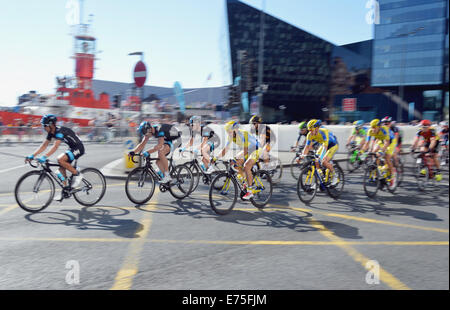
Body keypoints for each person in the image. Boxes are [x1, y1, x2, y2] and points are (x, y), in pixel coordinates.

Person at [25, 114, 85, 201]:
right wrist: (32, 155)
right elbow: (44, 145)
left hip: (79, 147)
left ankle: (78, 174)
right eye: (43, 126)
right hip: (72, 148)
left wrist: (44, 157)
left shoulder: (59, 131)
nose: (43, 128)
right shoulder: (51, 132)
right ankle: (65, 191)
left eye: (45, 125)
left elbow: (55, 146)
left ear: (51, 125)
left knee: (60, 159)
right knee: (61, 169)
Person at [215, 120, 259, 200]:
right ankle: (245, 181)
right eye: (227, 131)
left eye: (229, 131)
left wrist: (236, 159)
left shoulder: (243, 134)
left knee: (246, 166)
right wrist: (216, 158)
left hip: (255, 148)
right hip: (247, 149)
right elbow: (226, 149)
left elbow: (246, 151)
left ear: (235, 129)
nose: (228, 133)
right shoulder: (231, 136)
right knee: (234, 164)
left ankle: (250, 191)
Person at [300, 119, 339, 186]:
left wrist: (320, 158)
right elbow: (307, 147)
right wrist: (303, 155)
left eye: (312, 130)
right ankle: (319, 179)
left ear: (317, 128)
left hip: (332, 145)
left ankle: (335, 177)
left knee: (324, 161)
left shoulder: (324, 131)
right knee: (316, 161)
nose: (310, 132)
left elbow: (325, 147)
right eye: (309, 130)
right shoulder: (309, 135)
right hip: (323, 145)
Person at [244, 115, 275, 199]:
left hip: (270, 140)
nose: (253, 125)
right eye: (252, 124)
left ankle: (266, 168)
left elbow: (262, 141)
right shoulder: (253, 129)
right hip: (262, 140)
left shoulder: (263, 128)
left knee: (264, 150)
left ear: (259, 123)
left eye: (254, 123)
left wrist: (258, 148)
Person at [361, 119, 397, 184]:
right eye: (372, 127)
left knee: (387, 157)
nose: (373, 129)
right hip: (381, 140)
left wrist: (381, 151)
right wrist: (361, 153)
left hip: (391, 141)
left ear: (379, 127)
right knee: (373, 153)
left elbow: (387, 143)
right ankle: (376, 173)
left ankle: (393, 174)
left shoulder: (384, 130)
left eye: (374, 127)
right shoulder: (370, 131)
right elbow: (367, 143)